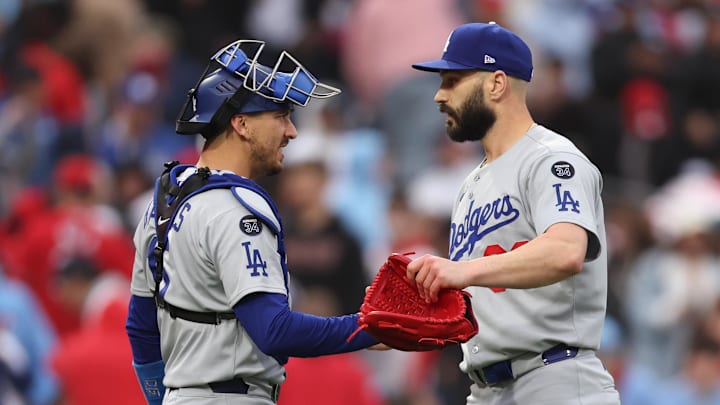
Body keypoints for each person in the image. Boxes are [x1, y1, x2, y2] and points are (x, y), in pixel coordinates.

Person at [124, 39, 380, 405]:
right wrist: (368, 327)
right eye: (281, 116)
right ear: (242, 124)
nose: (291, 132)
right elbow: (273, 330)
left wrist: (161, 399)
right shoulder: (237, 208)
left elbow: (142, 329)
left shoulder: (164, 202)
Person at [405, 22, 620, 404]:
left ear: (497, 83)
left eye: (453, 79)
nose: (439, 95)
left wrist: (461, 270)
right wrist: (383, 329)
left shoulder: (551, 159)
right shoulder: (471, 184)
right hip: (485, 389)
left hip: (554, 381)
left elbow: (566, 251)